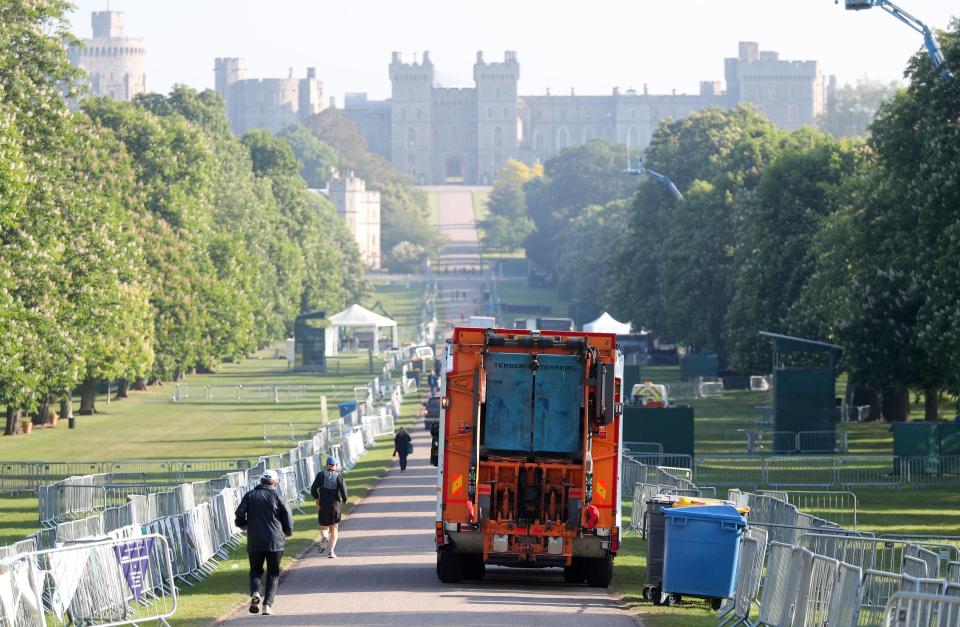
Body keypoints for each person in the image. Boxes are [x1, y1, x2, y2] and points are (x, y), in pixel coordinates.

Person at [234, 469, 293, 616]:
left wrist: (242, 524)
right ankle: (267, 605)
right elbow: (287, 515)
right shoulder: (278, 496)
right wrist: (288, 531)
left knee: (255, 570)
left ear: (261, 481)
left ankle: (255, 592)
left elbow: (239, 513)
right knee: (273, 573)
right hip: (275, 541)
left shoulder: (250, 495)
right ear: (275, 482)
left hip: (255, 540)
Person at [310, 456, 348, 558]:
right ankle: (331, 552)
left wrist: (317, 498)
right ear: (335, 466)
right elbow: (344, 491)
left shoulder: (320, 475)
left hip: (323, 505)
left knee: (324, 528)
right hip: (335, 506)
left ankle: (324, 538)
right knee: (334, 529)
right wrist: (344, 500)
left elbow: (313, 489)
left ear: (326, 465)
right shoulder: (339, 476)